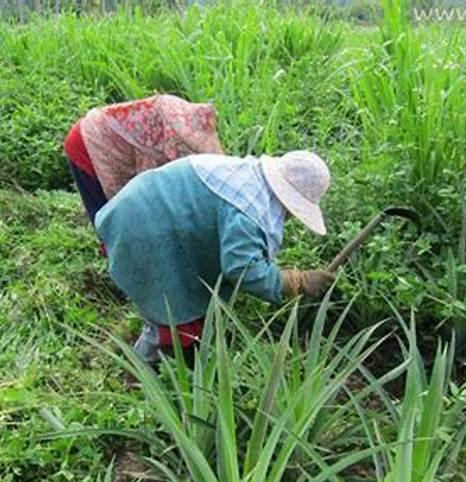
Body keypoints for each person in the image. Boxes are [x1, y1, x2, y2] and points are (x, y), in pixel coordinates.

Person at [94, 151, 336, 365]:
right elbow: (242, 269)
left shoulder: (244, 176)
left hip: (138, 209)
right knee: (173, 319)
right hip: (145, 232)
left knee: (180, 311)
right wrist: (296, 281)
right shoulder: (248, 211)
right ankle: (141, 372)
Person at [63, 94, 223, 227]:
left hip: (98, 132)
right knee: (106, 213)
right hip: (88, 141)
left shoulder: (182, 116)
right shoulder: (173, 126)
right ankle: (114, 255)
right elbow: (150, 183)